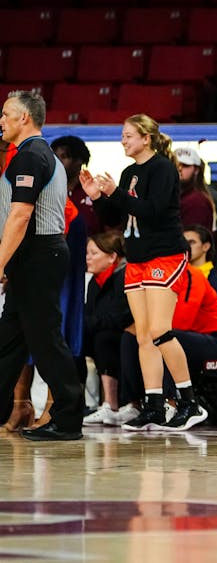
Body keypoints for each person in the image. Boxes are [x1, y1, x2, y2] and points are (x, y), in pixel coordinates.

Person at [80, 114, 207, 431]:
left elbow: (154, 209)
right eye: (122, 136)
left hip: (164, 254)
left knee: (162, 331)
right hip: (137, 258)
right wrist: (98, 196)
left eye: (128, 135)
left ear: (146, 138)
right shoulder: (128, 172)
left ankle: (190, 402)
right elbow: (116, 217)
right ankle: (153, 404)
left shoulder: (163, 167)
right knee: (144, 334)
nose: (123, 140)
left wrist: (117, 194)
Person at [0, 90, 85, 441]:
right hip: (33, 254)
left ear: (25, 118)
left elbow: (21, 216)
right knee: (8, 341)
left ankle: (68, 418)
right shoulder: (32, 154)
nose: (1, 120)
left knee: (45, 339)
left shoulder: (32, 157)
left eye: (6, 114)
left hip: (38, 253)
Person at [119, 265, 217, 408]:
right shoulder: (153, 276)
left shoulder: (191, 275)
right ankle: (134, 404)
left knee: (164, 338)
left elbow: (180, 322)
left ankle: (170, 403)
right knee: (130, 337)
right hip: (190, 338)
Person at [81, 231, 136, 427]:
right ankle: (77, 402)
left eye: (94, 253)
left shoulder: (125, 275)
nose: (88, 258)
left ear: (112, 256)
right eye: (87, 253)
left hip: (129, 333)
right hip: (104, 330)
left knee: (104, 338)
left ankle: (112, 404)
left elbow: (121, 315)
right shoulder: (95, 281)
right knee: (74, 340)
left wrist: (87, 324)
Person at [51, 135, 104, 236]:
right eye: (55, 157)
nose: (57, 163)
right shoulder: (46, 191)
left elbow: (111, 232)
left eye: (64, 157)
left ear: (79, 160)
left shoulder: (97, 193)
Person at [174, 146, 215, 234]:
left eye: (185, 165)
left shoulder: (196, 201)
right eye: (175, 165)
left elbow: (192, 240)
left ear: (196, 170)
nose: (179, 169)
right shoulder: (175, 197)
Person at [183, 224, 217, 300]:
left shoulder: (215, 278)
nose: (186, 246)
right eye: (183, 242)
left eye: (191, 242)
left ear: (206, 247)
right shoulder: (177, 273)